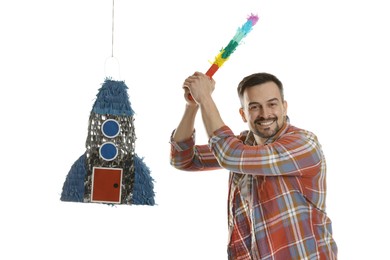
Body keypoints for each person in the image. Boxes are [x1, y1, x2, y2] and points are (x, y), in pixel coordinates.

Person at [169, 71, 338, 259]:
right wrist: (192, 105)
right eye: (255, 107)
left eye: (272, 104)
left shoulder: (303, 144)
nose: (265, 114)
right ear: (243, 114)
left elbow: (230, 155)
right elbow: (182, 158)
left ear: (284, 107)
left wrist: (205, 98)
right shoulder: (244, 145)